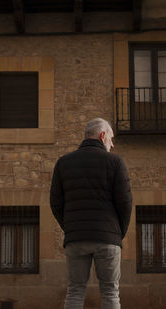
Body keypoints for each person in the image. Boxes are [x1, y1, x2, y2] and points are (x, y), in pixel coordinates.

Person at [50, 118, 133, 309]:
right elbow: (125, 202)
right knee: (110, 291)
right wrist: (117, 232)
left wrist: (71, 228)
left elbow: (55, 202)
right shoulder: (115, 162)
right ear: (102, 135)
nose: (112, 144)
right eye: (111, 139)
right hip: (107, 237)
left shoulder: (63, 163)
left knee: (75, 291)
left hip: (76, 238)